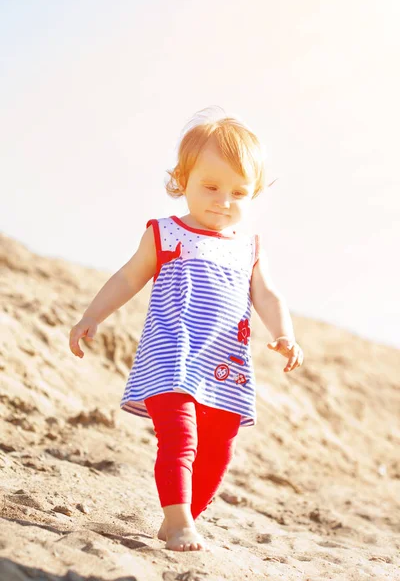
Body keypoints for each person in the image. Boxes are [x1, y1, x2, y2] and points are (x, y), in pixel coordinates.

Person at [69, 106, 304, 553]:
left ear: (253, 194)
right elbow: (127, 278)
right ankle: (177, 521)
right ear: (183, 179)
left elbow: (269, 296)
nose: (224, 201)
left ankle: (185, 516)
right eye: (211, 187)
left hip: (226, 365)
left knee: (219, 449)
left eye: (238, 191)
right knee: (181, 438)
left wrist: (285, 334)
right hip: (171, 358)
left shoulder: (249, 248)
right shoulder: (167, 233)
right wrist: (91, 316)